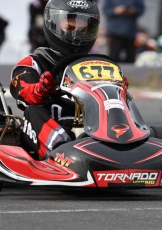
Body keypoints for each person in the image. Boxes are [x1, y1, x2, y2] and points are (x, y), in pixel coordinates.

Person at [9, 0, 100, 160]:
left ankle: (129, 144)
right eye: (70, 28)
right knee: (33, 111)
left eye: (82, 30)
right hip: (52, 127)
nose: (76, 36)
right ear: (53, 25)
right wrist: (40, 89)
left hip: (91, 128)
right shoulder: (36, 62)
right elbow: (23, 91)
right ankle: (61, 153)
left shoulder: (97, 65)